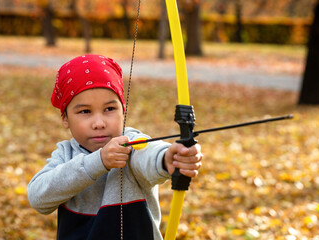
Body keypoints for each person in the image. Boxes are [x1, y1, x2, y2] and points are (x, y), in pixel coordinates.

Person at [27, 54, 203, 240]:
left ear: (123, 109)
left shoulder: (131, 143)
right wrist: (99, 161)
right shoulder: (65, 155)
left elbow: (148, 155)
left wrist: (168, 158)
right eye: (85, 111)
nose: (99, 123)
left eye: (109, 109)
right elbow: (38, 198)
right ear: (65, 118)